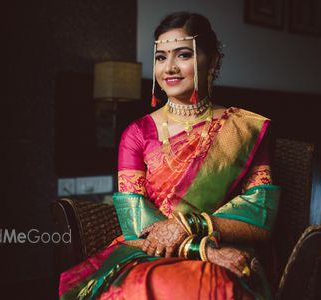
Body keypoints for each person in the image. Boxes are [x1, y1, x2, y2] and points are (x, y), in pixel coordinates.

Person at [59, 11, 280, 300]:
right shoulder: (137, 133)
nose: (170, 68)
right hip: (148, 251)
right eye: (161, 57)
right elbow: (135, 224)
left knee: (205, 286)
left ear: (212, 61)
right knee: (148, 286)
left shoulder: (245, 129)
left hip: (226, 250)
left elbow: (260, 219)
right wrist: (202, 250)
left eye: (183, 55)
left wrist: (190, 227)